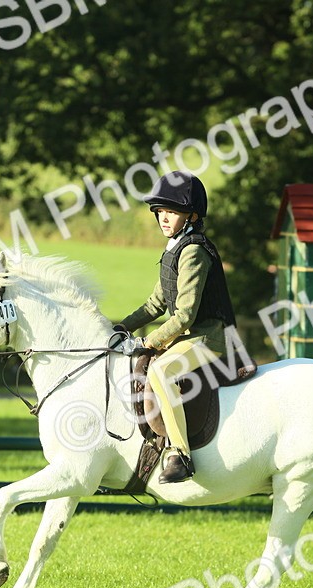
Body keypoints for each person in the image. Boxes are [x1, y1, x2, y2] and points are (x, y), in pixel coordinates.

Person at [116, 171, 237, 484]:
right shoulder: (174, 248)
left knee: (161, 371)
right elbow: (155, 303)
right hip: (188, 338)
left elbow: (184, 315)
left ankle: (180, 454)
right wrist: (118, 326)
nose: (164, 218)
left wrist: (148, 341)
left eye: (172, 212)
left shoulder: (194, 251)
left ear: (192, 216)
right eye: (161, 211)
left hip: (207, 340)